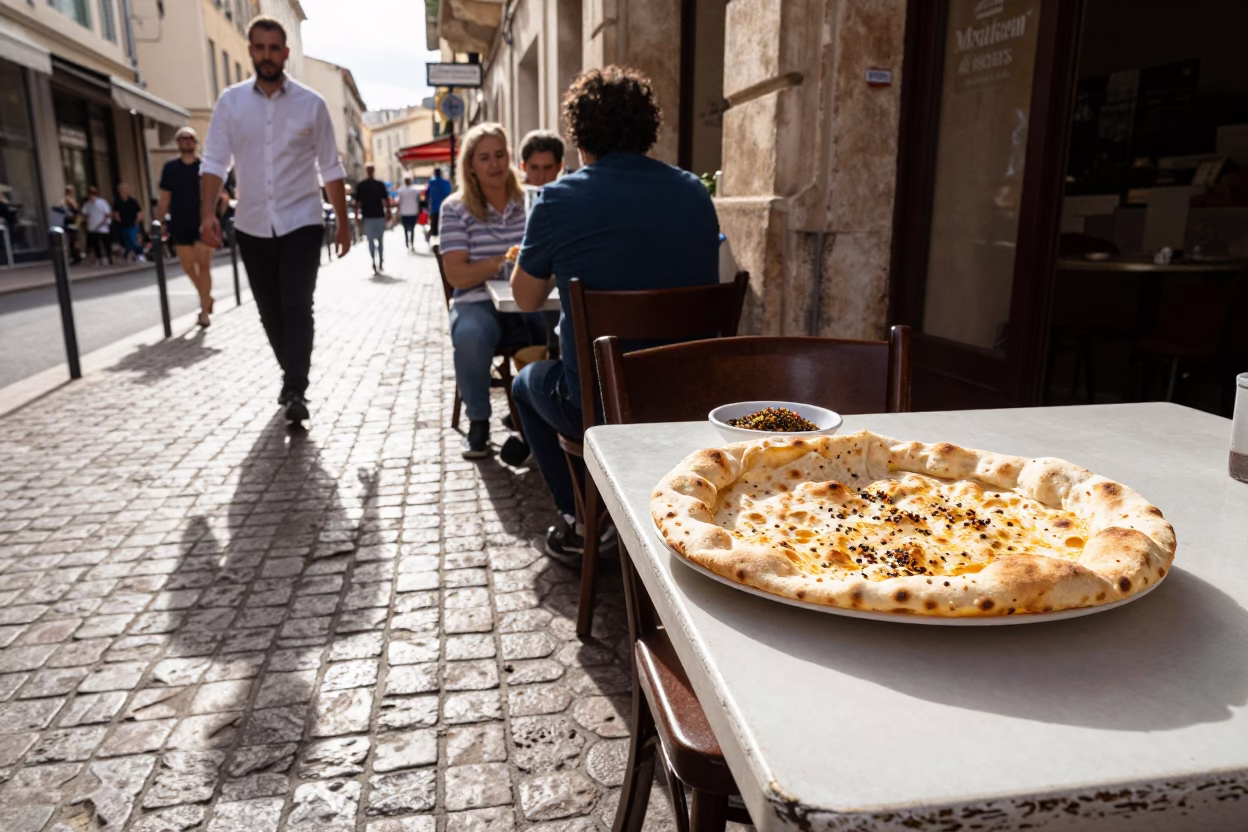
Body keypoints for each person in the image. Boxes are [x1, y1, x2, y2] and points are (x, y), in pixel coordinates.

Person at [509, 66, 720, 560]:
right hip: (684, 394)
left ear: (579, 136)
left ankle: (583, 520)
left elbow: (523, 299)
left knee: (525, 384)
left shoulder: (558, 200)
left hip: (599, 404)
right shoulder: (693, 191)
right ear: (647, 129)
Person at [200, 14, 351, 424]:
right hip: (251, 223)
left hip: (302, 220)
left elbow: (330, 166)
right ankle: (293, 375)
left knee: (297, 305)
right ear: (251, 51)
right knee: (270, 310)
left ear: (285, 53)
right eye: (260, 48)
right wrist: (206, 215)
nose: (267, 56)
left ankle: (296, 388)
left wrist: (343, 220)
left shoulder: (312, 104)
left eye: (274, 48)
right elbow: (214, 160)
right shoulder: (230, 103)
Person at [439, 123, 547, 460]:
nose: (494, 164)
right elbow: (456, 274)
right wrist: (504, 259)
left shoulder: (532, 199)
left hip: (531, 297)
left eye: (500, 155)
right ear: (470, 165)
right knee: (471, 335)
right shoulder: (455, 208)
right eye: (484, 158)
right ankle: (479, 422)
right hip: (477, 300)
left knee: (565, 329)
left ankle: (548, 415)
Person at [157, 126, 215, 327]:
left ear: (196, 142)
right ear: (177, 143)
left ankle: (204, 311)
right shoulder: (170, 168)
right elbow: (164, 198)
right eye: (182, 139)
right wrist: (160, 222)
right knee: (189, 267)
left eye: (190, 138)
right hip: (179, 222)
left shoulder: (205, 166)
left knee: (204, 265)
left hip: (202, 222)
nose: (186, 141)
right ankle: (206, 297)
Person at [355, 163, 391, 272]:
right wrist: (357, 215)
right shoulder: (362, 185)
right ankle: (374, 261)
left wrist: (388, 212)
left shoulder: (379, 185)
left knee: (379, 241)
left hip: (378, 216)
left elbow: (386, 200)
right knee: (371, 241)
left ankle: (379, 261)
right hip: (368, 217)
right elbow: (358, 202)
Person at [113, 183, 145, 263]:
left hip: (133, 225)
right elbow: (116, 213)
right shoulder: (117, 202)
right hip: (123, 225)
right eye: (121, 190)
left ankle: (139, 254)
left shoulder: (133, 201)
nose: (123, 192)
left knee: (133, 240)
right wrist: (118, 219)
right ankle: (130, 255)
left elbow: (139, 213)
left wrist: (137, 222)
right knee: (126, 242)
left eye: (124, 190)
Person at [50, 187, 83, 264]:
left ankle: (76, 256)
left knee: (74, 240)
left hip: (72, 223)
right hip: (70, 223)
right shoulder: (66, 203)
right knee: (73, 240)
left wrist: (77, 224)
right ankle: (75, 256)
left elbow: (78, 214)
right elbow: (55, 207)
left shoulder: (71, 203)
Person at [82, 186, 113, 267]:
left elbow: (107, 214)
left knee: (106, 243)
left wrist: (103, 223)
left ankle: (109, 257)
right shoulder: (87, 204)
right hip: (93, 228)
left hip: (103, 227)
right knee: (96, 244)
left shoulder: (102, 202)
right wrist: (87, 222)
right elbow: (84, 214)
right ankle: (99, 258)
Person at [423, 166, 451, 240]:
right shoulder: (446, 182)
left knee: (434, 228)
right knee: (444, 227)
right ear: (441, 173)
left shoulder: (431, 182)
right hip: (446, 209)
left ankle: (435, 244)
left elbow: (427, 195)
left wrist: (426, 204)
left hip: (434, 208)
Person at [396, 176, 422, 250]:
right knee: (412, 229)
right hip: (413, 212)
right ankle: (411, 242)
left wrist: (398, 211)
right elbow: (418, 201)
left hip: (404, 213)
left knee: (405, 229)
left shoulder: (401, 190)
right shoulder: (415, 190)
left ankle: (407, 242)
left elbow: (399, 202)